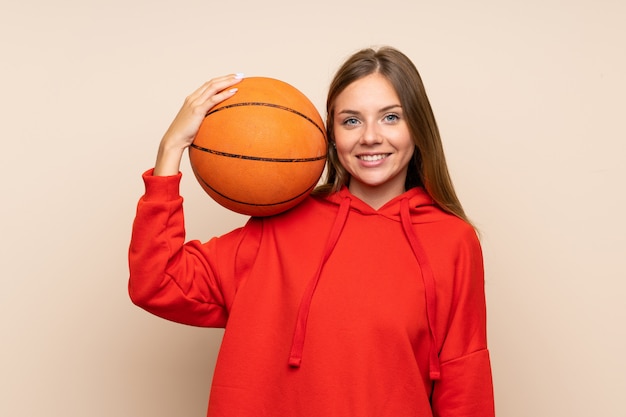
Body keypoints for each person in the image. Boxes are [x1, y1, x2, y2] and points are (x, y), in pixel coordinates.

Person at [128, 46, 495, 416]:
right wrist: (171, 147)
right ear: (330, 134)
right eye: (351, 120)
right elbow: (157, 281)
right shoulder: (278, 225)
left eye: (390, 118)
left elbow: (466, 384)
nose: (370, 137)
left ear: (418, 127)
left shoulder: (452, 241)